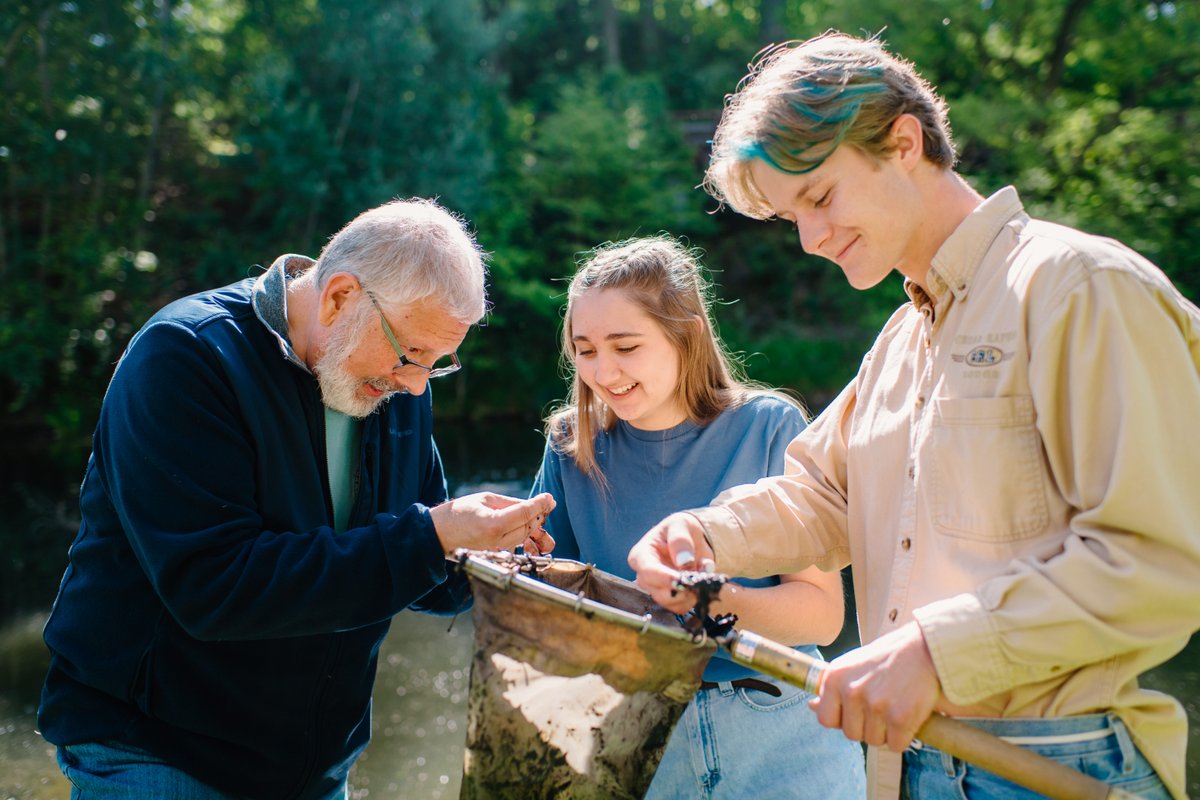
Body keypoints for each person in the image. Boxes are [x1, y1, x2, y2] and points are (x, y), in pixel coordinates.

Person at [627, 32, 1200, 800]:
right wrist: (705, 536)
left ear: (904, 143)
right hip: (909, 768)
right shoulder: (900, 339)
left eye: (819, 198)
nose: (811, 240)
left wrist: (932, 653)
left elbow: (1161, 559)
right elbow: (824, 496)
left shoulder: (1081, 286)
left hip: (1063, 764)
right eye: (793, 218)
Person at [39, 198, 555, 800]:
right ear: (339, 297)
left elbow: (415, 566)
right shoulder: (186, 357)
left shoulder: (392, 384)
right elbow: (215, 589)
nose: (417, 385)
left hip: (312, 769)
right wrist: (432, 536)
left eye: (437, 365)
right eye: (411, 354)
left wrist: (488, 557)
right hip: (157, 749)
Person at [531, 235, 866, 799]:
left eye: (625, 346)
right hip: (635, 736)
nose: (604, 371)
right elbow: (551, 608)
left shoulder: (770, 425)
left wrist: (711, 605)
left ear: (686, 335)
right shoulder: (570, 444)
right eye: (585, 351)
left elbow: (822, 616)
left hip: (780, 732)